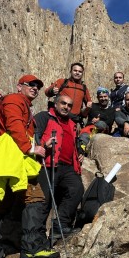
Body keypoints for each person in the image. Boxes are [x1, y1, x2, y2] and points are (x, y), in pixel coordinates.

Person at [0, 75, 59, 258]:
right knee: (36, 197)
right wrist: (32, 149)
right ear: (19, 86)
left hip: (8, 159)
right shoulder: (14, 100)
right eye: (30, 85)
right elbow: (14, 126)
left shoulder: (21, 102)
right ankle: (32, 249)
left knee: (1, 205)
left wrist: (38, 146)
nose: (35, 88)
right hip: (15, 157)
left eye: (37, 86)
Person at [34, 95, 85, 243]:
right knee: (45, 201)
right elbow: (33, 137)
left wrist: (79, 153)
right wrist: (43, 145)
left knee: (76, 189)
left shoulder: (71, 123)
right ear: (55, 104)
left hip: (68, 166)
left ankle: (60, 226)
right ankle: (38, 239)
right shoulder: (44, 117)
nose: (66, 107)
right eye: (63, 103)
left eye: (69, 105)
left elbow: (73, 142)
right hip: (49, 164)